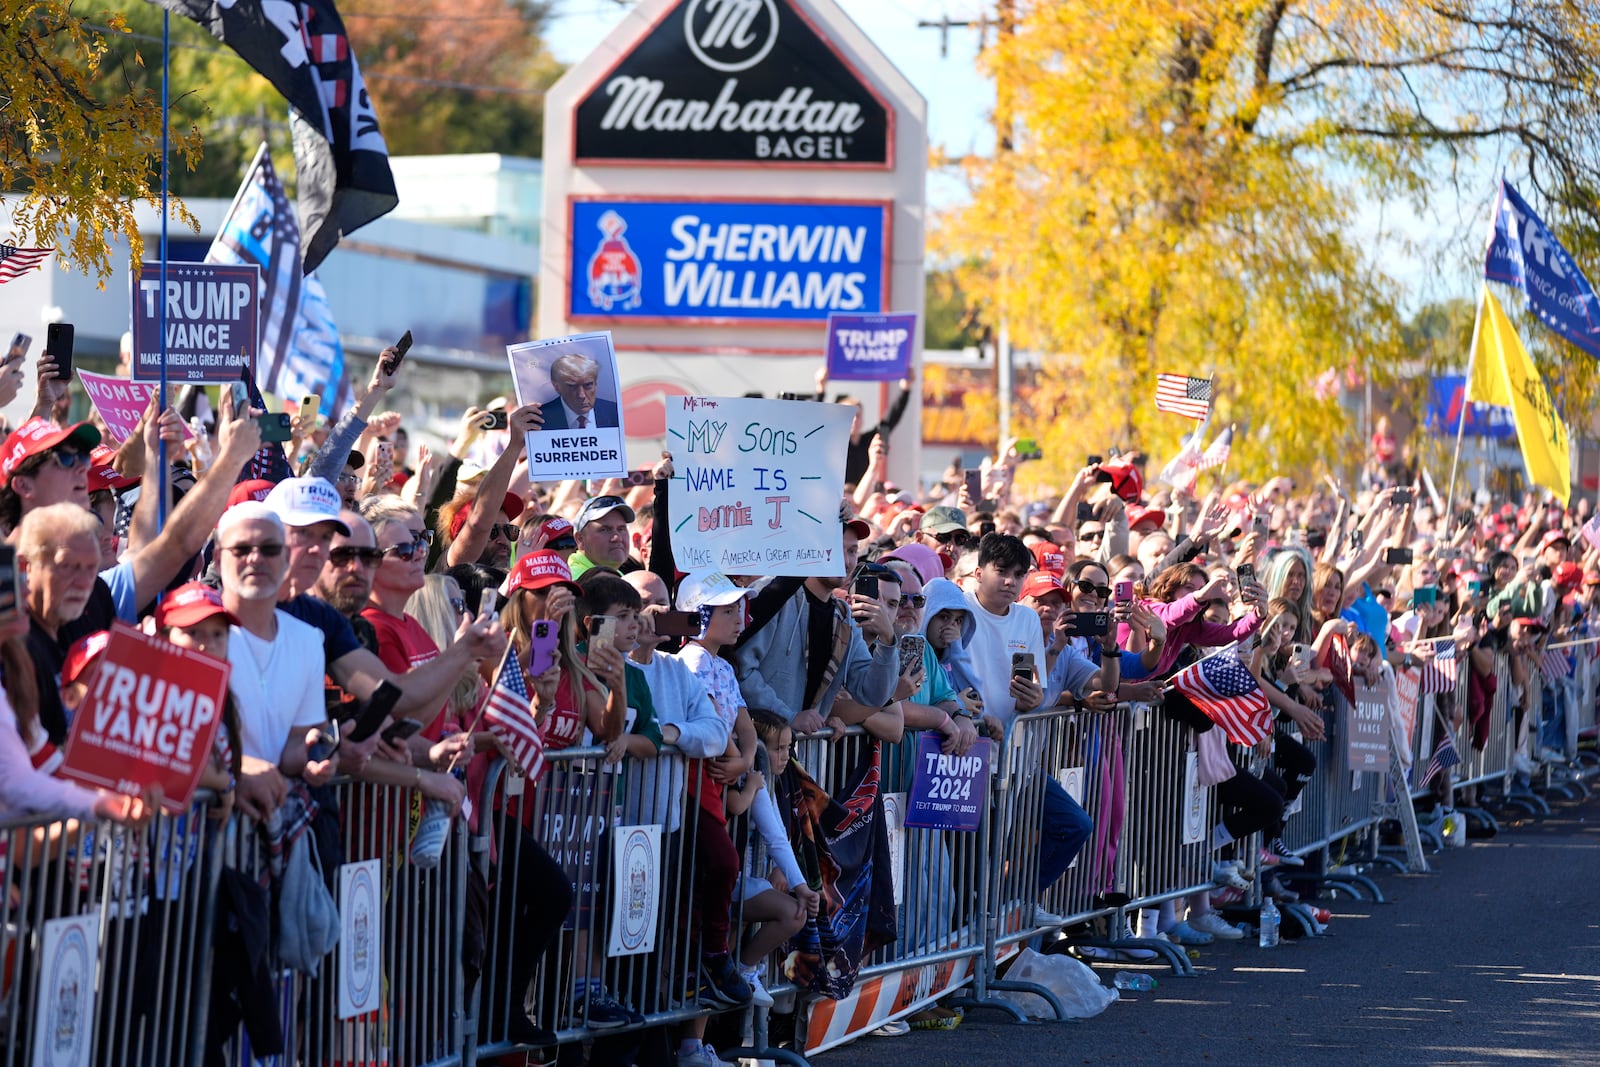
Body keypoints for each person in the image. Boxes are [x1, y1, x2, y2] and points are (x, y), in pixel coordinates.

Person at [214, 502, 337, 819]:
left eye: (269, 548)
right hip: (205, 826)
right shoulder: (192, 634)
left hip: (273, 819)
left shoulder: (308, 640)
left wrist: (312, 756)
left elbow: (295, 743)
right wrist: (237, 769)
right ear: (217, 558)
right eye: (241, 549)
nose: (255, 558)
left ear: (285, 559)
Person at [733, 518, 899, 733]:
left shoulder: (843, 616)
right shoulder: (774, 593)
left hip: (797, 755)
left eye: (851, 551)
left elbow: (872, 693)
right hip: (756, 746)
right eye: (835, 549)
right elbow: (741, 670)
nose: (846, 561)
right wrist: (789, 717)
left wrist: (887, 641)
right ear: (813, 548)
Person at [539, 353, 618, 430]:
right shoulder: (539, 418)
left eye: (588, 385)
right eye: (572, 386)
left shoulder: (614, 412)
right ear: (557, 387)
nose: (581, 395)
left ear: (596, 384)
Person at [568, 494, 638, 580]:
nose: (617, 538)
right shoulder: (572, 581)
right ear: (580, 539)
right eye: (604, 530)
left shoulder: (616, 574)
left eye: (621, 529)